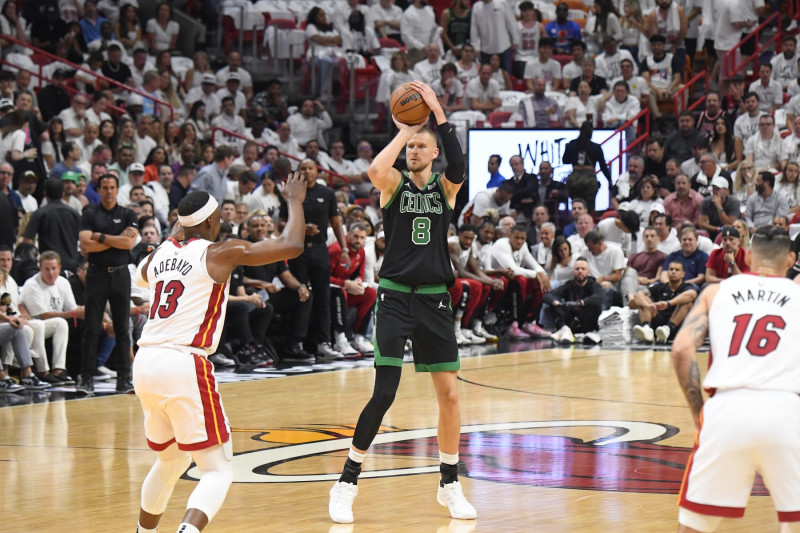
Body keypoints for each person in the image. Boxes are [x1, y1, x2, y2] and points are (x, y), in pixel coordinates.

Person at [328, 81, 476, 524]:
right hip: (394, 299)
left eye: (420, 145)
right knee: (384, 394)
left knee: (449, 396)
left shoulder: (444, 192)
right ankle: (347, 482)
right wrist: (404, 128)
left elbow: (461, 163)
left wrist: (437, 114)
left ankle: (449, 483)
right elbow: (375, 169)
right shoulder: (392, 186)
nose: (412, 150)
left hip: (434, 302)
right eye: (409, 146)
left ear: (434, 153)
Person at [132, 173, 307, 533]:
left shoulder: (159, 254)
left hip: (145, 361)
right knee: (218, 467)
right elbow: (292, 244)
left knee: (169, 461)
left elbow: (143, 274)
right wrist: (295, 201)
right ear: (212, 221)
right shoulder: (221, 251)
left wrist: (176, 235)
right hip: (182, 361)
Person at [672, 225, 800, 533]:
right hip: (786, 410)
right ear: (791, 260)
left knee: (694, 526)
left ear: (750, 255)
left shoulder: (716, 292)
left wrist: (697, 412)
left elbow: (681, 350)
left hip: (726, 410)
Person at [76, 174, 139, 396]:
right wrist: (115, 240)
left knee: (123, 328)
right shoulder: (90, 213)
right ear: (99, 189)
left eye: (112, 187)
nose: (109, 191)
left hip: (121, 275)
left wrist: (101, 236)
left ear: (117, 189)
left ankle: (124, 379)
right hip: (96, 275)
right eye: (105, 187)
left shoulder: (128, 213)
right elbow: (86, 245)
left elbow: (128, 242)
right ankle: (86, 378)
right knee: (92, 328)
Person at [542, 257, 605, 344]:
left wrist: (581, 303)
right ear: (573, 272)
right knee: (554, 305)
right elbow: (547, 295)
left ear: (588, 272)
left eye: (583, 269)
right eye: (577, 269)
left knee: (595, 306)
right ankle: (565, 329)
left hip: (586, 321)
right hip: (569, 318)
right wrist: (557, 303)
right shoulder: (569, 285)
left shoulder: (594, 285)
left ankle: (565, 331)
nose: (580, 271)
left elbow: (600, 296)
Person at [563, 121, 612, 213]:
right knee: (589, 207)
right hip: (589, 179)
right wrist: (609, 180)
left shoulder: (571, 145)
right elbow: (603, 166)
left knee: (575, 205)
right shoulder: (596, 147)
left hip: (574, 179)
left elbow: (565, 160)